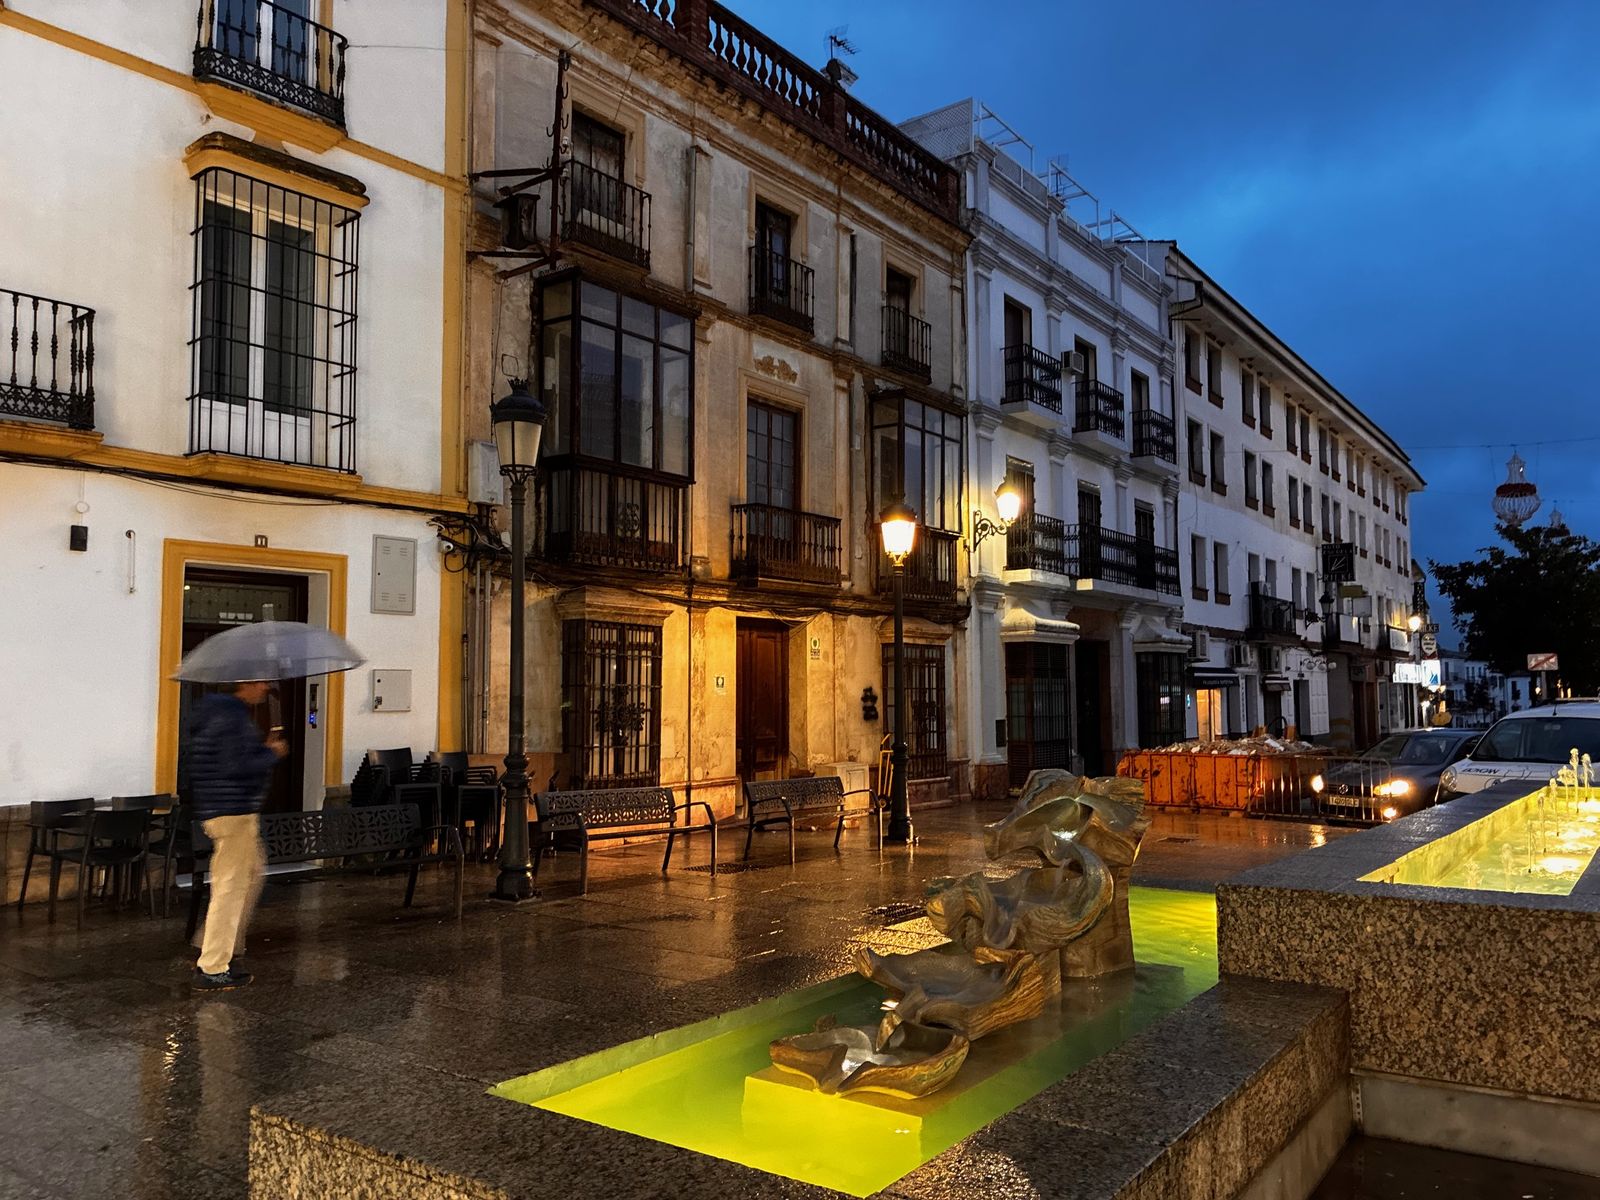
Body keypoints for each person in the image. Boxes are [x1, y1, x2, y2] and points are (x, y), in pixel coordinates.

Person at [186, 680, 286, 991]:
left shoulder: (216, 713)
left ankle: (218, 943)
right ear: (243, 683)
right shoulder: (230, 717)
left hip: (223, 809)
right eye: (260, 681)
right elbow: (234, 765)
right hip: (233, 813)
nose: (265, 688)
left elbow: (224, 760)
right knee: (230, 888)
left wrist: (260, 747)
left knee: (253, 873)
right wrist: (271, 753)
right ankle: (214, 966)